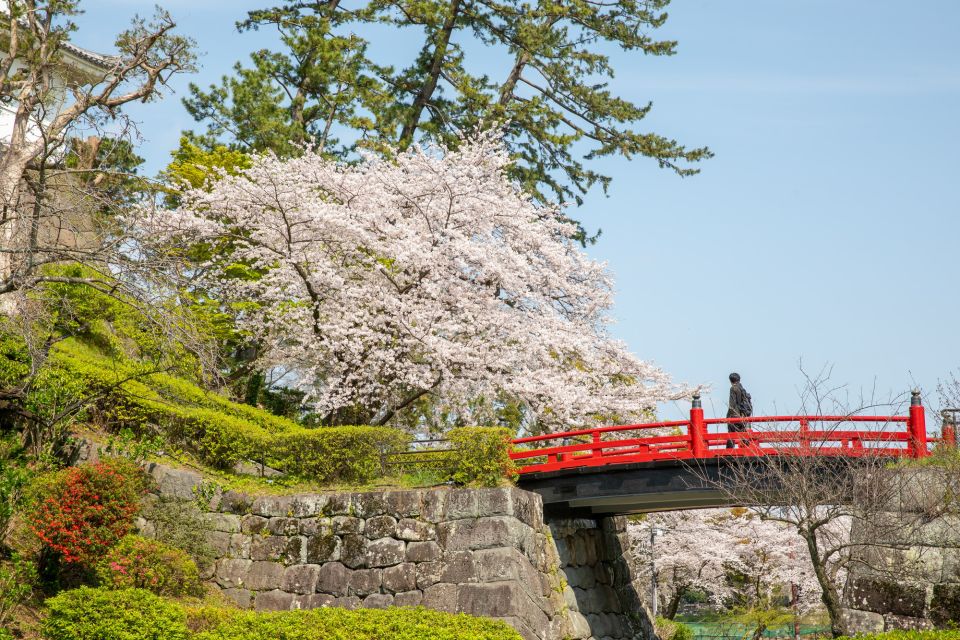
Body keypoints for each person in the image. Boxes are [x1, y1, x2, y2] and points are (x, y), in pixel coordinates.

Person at [726, 372, 752, 448]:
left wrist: (728, 417)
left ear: (730, 380)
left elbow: (732, 404)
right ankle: (747, 449)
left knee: (731, 433)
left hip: (735, 415)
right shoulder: (742, 388)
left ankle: (729, 452)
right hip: (743, 414)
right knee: (743, 433)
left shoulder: (733, 388)